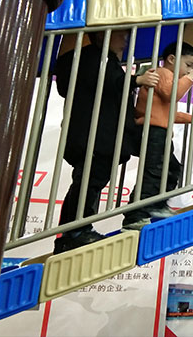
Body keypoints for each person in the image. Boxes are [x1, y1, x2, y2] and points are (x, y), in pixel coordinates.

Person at [53, 29, 159, 254]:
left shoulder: (88, 60)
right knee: (88, 183)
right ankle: (77, 231)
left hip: (94, 138)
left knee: (85, 183)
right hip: (97, 139)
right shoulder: (96, 58)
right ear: (103, 35)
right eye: (122, 35)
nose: (125, 41)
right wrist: (137, 80)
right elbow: (109, 81)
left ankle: (70, 234)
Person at [122, 41, 193, 230]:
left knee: (171, 169)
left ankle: (157, 204)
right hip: (152, 131)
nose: (189, 70)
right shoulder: (162, 73)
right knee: (154, 171)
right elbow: (171, 94)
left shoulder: (170, 78)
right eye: (188, 65)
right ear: (171, 59)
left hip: (160, 132)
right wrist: (191, 77)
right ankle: (136, 215)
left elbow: (171, 114)